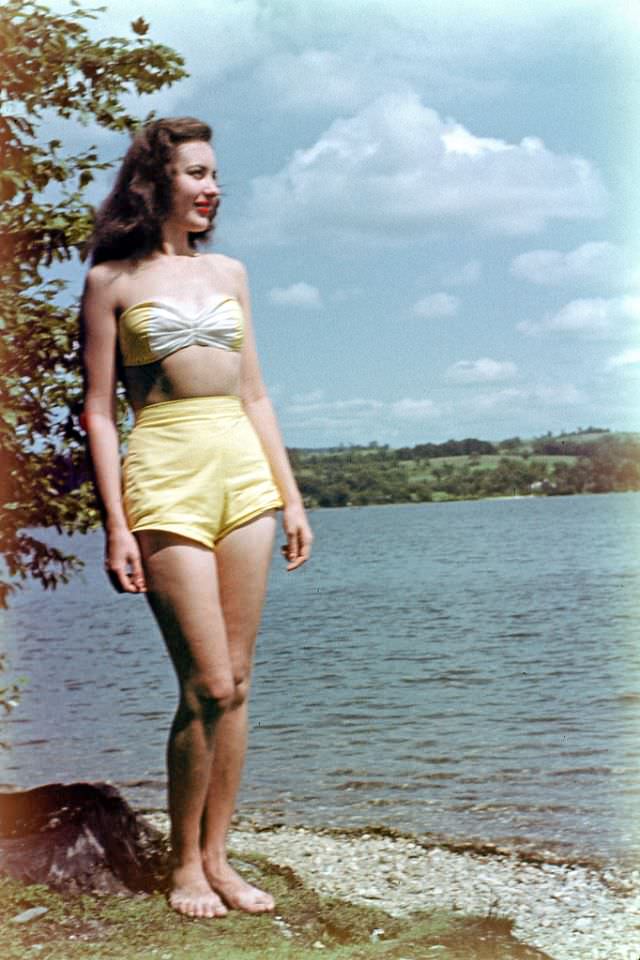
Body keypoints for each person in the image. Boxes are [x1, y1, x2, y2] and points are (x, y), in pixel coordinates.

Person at [81, 117, 312, 920]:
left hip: (241, 469)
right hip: (165, 473)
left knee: (239, 685)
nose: (213, 188)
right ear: (157, 183)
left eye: (216, 175)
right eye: (198, 173)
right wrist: (116, 524)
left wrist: (290, 495)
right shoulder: (112, 280)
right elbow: (101, 412)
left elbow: (254, 393)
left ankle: (219, 857)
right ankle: (182, 864)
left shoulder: (232, 271)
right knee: (205, 682)